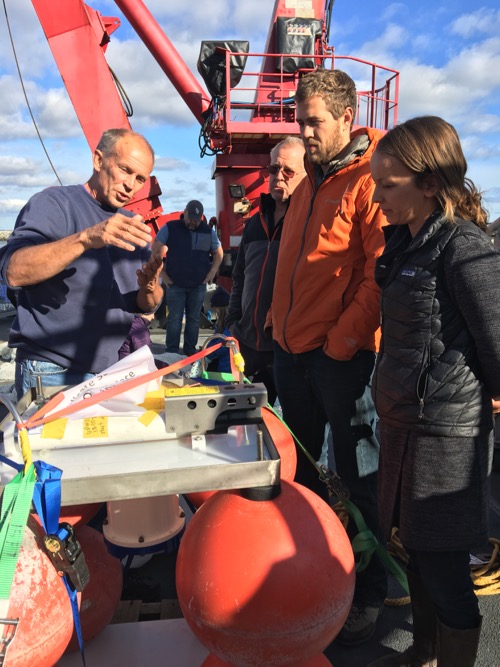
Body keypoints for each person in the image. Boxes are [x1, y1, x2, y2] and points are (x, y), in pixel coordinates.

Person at [367, 116, 500, 667]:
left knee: (444, 568)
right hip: (405, 427)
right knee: (415, 553)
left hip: (446, 434)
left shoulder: (463, 247)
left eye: (387, 185)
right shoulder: (405, 244)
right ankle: (422, 655)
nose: (376, 198)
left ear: (429, 183)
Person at [270, 68, 388, 645]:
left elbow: (378, 274)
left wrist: (343, 340)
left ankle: (367, 597)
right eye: (301, 120)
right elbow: (292, 263)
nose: (305, 131)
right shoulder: (309, 180)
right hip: (293, 351)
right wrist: (273, 326)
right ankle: (321, 575)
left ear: (348, 115)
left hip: (339, 358)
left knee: (356, 473)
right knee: (310, 475)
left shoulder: (370, 182)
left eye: (314, 121)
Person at [0, 128, 165, 399]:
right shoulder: (54, 204)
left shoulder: (131, 225)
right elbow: (14, 272)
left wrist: (150, 288)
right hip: (51, 368)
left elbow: (147, 304)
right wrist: (87, 237)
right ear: (98, 160)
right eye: (125, 170)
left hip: (112, 370)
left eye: (140, 179)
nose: (130, 185)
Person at [225, 136, 306, 407]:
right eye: (273, 169)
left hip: (287, 349)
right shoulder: (254, 224)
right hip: (247, 342)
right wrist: (233, 322)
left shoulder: (309, 223)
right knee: (245, 428)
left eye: (288, 171)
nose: (278, 177)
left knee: (293, 430)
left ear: (306, 176)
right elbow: (239, 277)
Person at [153, 200, 223, 356]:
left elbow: (219, 253)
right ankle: (171, 352)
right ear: (184, 213)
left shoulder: (207, 231)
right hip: (175, 284)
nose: (193, 221)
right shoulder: (171, 228)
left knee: (193, 320)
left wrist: (212, 273)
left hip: (198, 285)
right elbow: (155, 248)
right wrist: (162, 274)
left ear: (201, 218)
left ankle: (190, 353)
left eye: (196, 219)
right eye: (190, 217)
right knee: (174, 319)